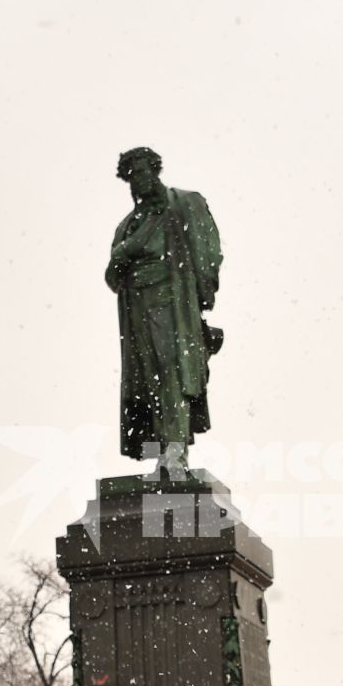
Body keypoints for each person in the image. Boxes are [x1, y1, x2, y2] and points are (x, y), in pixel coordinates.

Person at [104, 147, 223, 477]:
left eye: (142, 172)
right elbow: (112, 273)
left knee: (172, 376)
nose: (137, 181)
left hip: (173, 303)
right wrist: (127, 252)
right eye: (131, 177)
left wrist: (202, 295)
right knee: (145, 382)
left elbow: (207, 250)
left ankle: (175, 452)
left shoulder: (183, 203)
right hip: (136, 308)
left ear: (155, 171)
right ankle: (159, 452)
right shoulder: (127, 225)